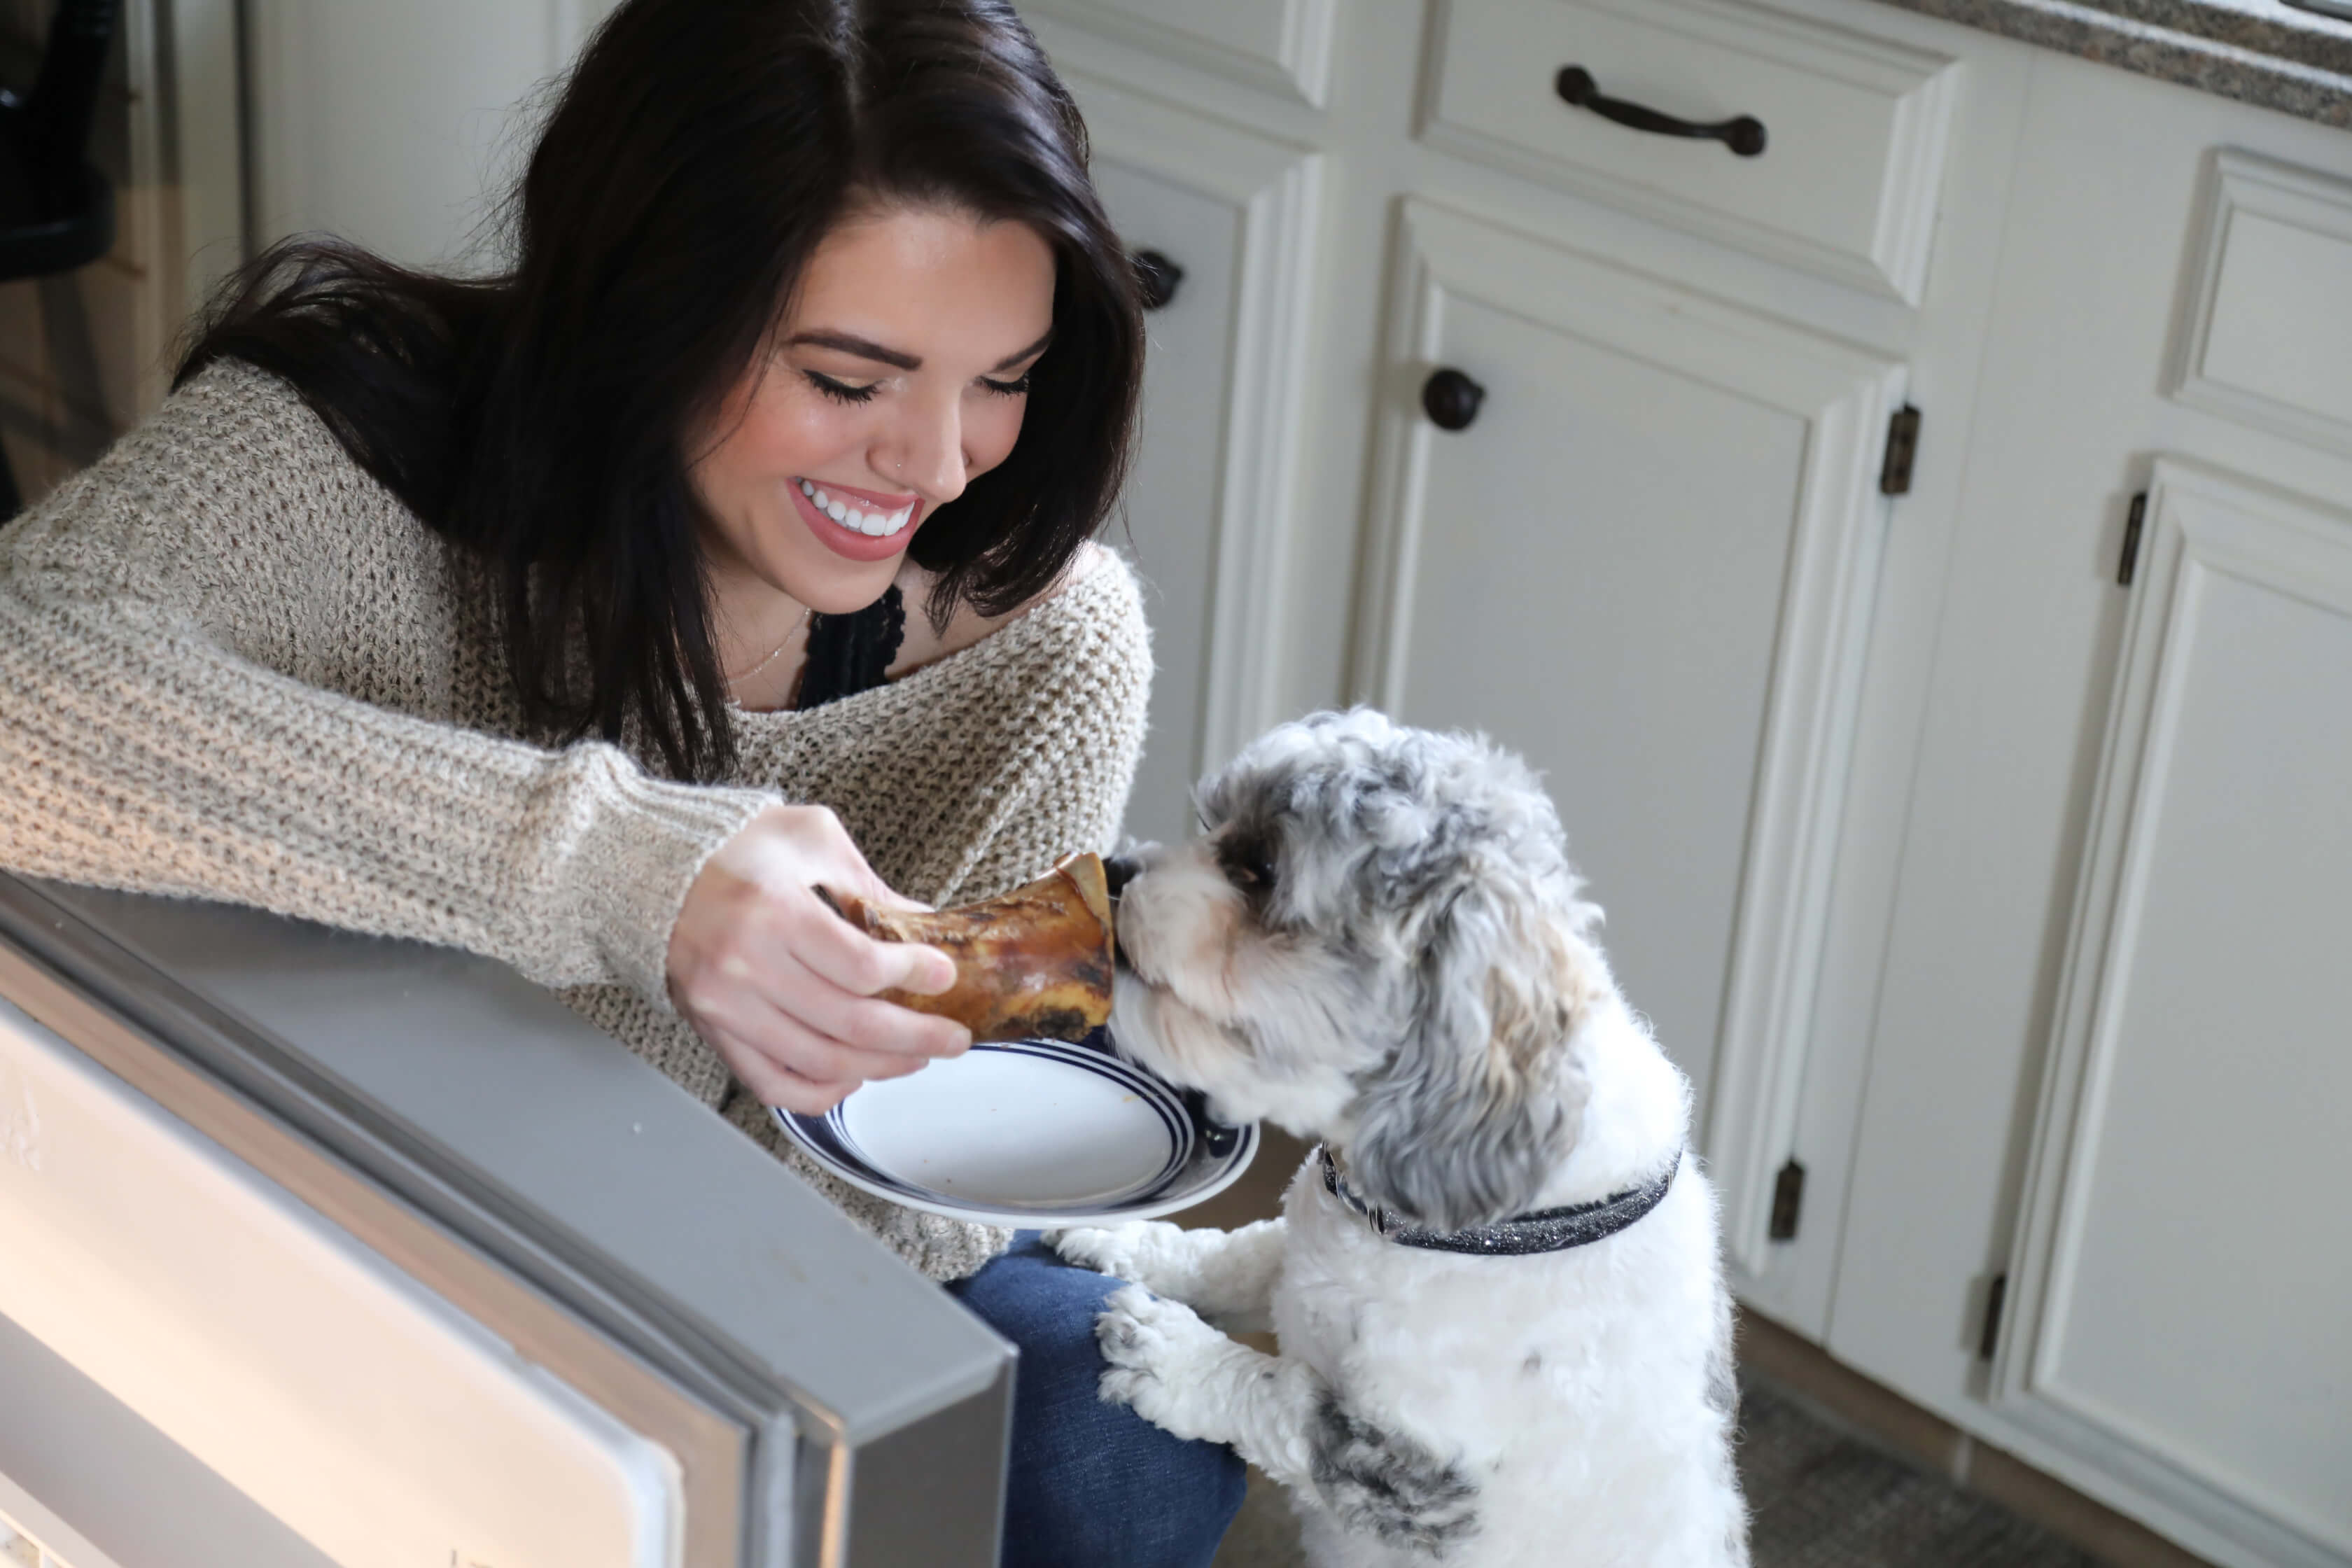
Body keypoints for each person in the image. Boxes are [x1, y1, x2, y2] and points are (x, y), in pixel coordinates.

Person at [0, 0, 1244, 1560]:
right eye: (849, 379)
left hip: (740, 1259)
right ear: (656, 303)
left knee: (1125, 1437)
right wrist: (617, 865)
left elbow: (934, 1196)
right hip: (334, 1205)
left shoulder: (1048, 643)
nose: (934, 466)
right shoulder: (350, 449)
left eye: (1004, 377)